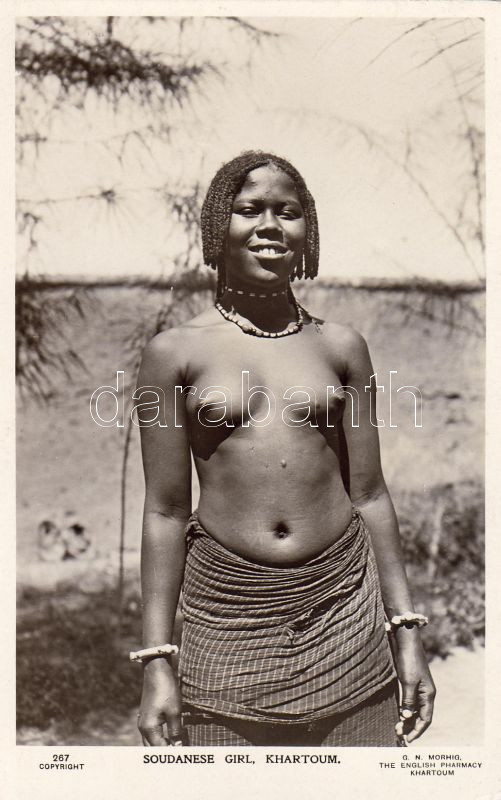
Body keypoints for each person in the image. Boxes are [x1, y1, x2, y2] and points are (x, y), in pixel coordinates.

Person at [134, 151, 435, 747]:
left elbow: (370, 494)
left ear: (308, 231)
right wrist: (157, 660)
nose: (270, 225)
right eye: (250, 209)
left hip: (344, 614)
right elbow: (165, 511)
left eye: (288, 212)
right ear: (218, 227)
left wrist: (405, 632)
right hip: (227, 619)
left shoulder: (342, 347)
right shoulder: (173, 353)